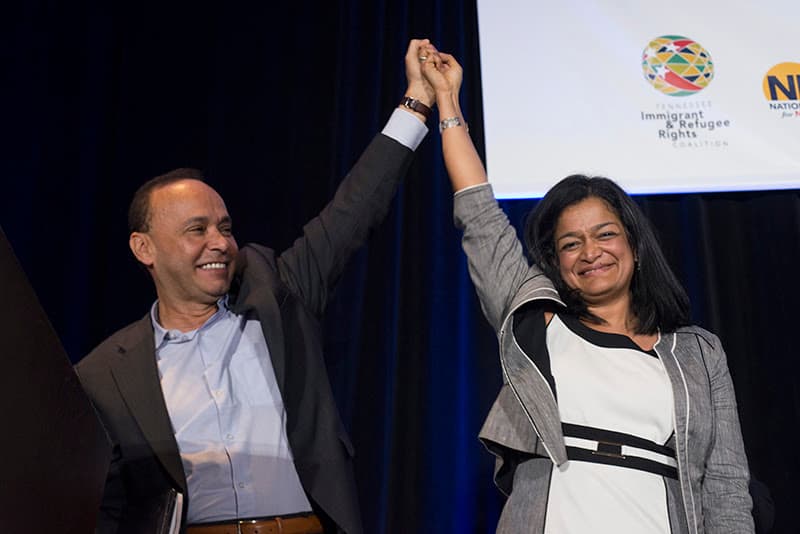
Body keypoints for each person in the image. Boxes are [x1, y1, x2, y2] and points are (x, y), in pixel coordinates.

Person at [75, 39, 436, 534]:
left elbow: (354, 210)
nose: (219, 243)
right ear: (145, 249)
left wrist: (416, 101)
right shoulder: (103, 374)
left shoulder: (277, 294)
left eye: (224, 227)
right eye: (196, 230)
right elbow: (103, 506)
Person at [420, 45, 754, 533]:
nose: (590, 252)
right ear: (557, 262)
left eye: (605, 235)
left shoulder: (700, 352)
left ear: (635, 247)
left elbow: (725, 486)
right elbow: (481, 217)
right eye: (571, 244)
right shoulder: (539, 321)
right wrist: (448, 103)